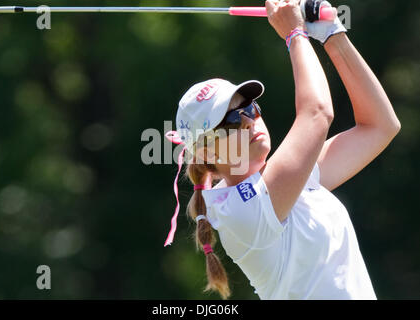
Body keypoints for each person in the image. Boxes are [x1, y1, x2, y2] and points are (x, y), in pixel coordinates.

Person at [164, 0, 401, 300]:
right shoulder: (240, 211)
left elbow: (379, 126)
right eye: (232, 119)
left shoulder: (289, 182)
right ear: (207, 154)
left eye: (249, 107)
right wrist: (295, 35)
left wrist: (332, 34)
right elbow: (317, 114)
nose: (250, 121)